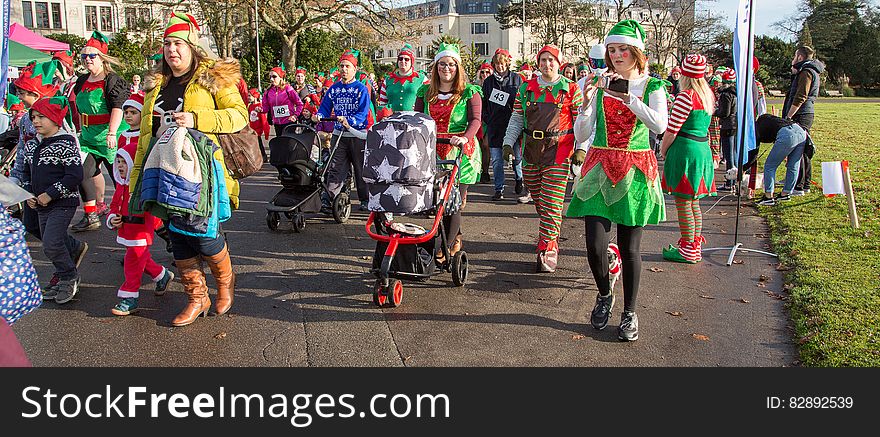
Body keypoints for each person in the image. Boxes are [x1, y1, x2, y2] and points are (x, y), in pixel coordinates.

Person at [128, 12, 246, 326]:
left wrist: (197, 120)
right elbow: (145, 138)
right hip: (163, 170)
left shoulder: (212, 76)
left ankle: (225, 283)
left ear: (192, 47)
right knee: (176, 237)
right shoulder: (157, 84)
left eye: (178, 43)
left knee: (205, 236)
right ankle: (197, 296)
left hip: (202, 171)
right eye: (167, 43)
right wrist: (135, 181)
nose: (172, 50)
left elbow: (239, 116)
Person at [567, 20, 669, 341]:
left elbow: (660, 125)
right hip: (599, 164)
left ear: (636, 52)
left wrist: (628, 98)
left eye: (622, 49)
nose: (616, 55)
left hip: (636, 168)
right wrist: (585, 104)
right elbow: (582, 133)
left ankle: (629, 312)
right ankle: (604, 294)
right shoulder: (599, 83)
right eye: (611, 49)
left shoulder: (653, 86)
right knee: (594, 245)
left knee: (630, 248)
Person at [502, 44, 582, 273]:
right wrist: (508, 143)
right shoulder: (526, 88)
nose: (547, 64)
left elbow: (581, 122)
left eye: (551, 60)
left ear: (559, 63)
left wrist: (581, 148)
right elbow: (517, 118)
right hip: (531, 150)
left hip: (559, 150)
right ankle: (550, 229)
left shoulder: (571, 89)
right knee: (539, 199)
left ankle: (548, 246)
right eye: (543, 60)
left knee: (552, 200)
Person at [415, 42, 483, 261]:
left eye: (451, 65)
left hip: (461, 152)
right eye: (442, 64)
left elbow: (476, 120)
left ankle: (446, 245)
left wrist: (464, 137)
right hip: (433, 151)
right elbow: (418, 119)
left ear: (458, 67)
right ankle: (454, 237)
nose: (446, 69)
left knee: (452, 200)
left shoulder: (469, 92)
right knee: (438, 200)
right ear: (435, 67)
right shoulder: (425, 91)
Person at [107, 93, 174, 315]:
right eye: (125, 112)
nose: (127, 116)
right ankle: (161, 275)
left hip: (142, 215)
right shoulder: (123, 141)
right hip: (126, 222)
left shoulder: (148, 137)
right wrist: (113, 216)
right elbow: (116, 201)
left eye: (132, 112)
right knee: (137, 255)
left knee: (133, 257)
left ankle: (129, 296)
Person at [22, 96, 87, 304]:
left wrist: (51, 193)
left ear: (56, 119)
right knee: (45, 236)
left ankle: (68, 276)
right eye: (33, 117)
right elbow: (26, 172)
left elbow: (75, 175)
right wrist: (28, 193)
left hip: (62, 203)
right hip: (39, 204)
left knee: (51, 244)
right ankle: (73, 249)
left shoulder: (66, 143)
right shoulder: (32, 145)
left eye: (42, 117)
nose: (36, 121)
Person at [71, 31, 130, 232]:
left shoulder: (113, 80)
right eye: (84, 56)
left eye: (91, 55)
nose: (87, 59)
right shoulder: (81, 80)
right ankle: (90, 215)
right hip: (89, 138)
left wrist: (112, 133)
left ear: (101, 58)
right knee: (83, 173)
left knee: (121, 181)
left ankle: (145, 226)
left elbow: (118, 107)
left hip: (111, 138)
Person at [659, 54, 716, 263]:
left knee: (683, 203)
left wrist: (664, 151)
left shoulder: (686, 96)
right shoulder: (707, 96)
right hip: (701, 149)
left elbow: (672, 130)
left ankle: (688, 250)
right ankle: (693, 246)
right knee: (694, 203)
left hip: (685, 150)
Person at [314, 49, 374, 212]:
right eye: (341, 66)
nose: (344, 69)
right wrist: (319, 115)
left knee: (361, 168)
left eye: (347, 66)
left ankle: (365, 199)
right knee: (336, 167)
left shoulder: (361, 89)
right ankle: (330, 198)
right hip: (338, 134)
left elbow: (363, 113)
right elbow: (325, 107)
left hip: (357, 135)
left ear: (354, 69)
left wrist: (350, 121)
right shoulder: (334, 89)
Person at [9, 61, 62, 241]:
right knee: (32, 225)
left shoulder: (53, 116)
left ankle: (66, 258)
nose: (20, 97)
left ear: (36, 94)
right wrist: (17, 176)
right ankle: (70, 250)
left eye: (23, 93)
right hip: (31, 179)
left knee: (46, 225)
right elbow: (22, 150)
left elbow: (69, 145)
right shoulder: (25, 119)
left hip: (50, 179)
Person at [482, 48, 523, 201]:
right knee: (497, 160)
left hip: (513, 125)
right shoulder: (488, 82)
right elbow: (484, 103)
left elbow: (521, 100)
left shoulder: (516, 79)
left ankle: (519, 179)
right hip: (495, 126)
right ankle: (499, 189)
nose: (500, 67)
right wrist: (487, 118)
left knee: (517, 157)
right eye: (497, 64)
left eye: (502, 64)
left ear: (507, 64)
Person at [783, 46, 824, 196]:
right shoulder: (807, 71)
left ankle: (800, 184)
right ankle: (801, 181)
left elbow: (801, 95)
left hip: (801, 113)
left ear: (800, 57)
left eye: (795, 56)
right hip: (805, 111)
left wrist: (789, 115)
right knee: (801, 148)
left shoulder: (806, 72)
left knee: (799, 149)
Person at [754, 114, 808, 206]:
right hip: (801, 131)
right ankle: (785, 194)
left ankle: (768, 197)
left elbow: (755, 149)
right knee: (793, 166)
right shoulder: (770, 120)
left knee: (770, 166)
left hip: (787, 135)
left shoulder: (757, 128)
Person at [377, 44, 428, 118]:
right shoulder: (388, 80)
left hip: (414, 121)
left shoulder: (422, 79)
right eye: (400, 59)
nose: (403, 61)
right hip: (392, 121)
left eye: (406, 59)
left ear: (412, 62)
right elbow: (382, 103)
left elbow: (428, 101)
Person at [260, 67, 304, 137]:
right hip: (277, 123)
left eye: (274, 76)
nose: (271, 79)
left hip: (289, 122)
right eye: (270, 77)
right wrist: (260, 109)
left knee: (288, 145)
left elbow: (300, 104)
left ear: (280, 77)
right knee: (280, 145)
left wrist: (295, 115)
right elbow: (265, 108)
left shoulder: (288, 89)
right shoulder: (268, 92)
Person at [714, 69, 737, 191]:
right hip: (734, 125)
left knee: (729, 155)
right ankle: (733, 180)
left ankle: (730, 181)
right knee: (733, 153)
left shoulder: (726, 95)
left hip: (727, 126)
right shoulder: (735, 94)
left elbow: (725, 112)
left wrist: (714, 112)